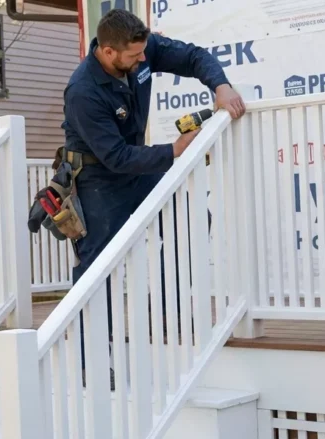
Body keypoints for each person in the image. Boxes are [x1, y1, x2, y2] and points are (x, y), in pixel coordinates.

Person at [60, 8, 246, 283]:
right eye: (135, 56)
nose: (143, 58)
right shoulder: (83, 92)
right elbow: (116, 157)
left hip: (137, 167)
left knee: (190, 217)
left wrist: (221, 86)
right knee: (99, 263)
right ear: (109, 52)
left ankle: (169, 312)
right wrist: (174, 150)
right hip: (98, 178)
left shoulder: (142, 47)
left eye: (144, 51)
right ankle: (91, 328)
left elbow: (193, 57)